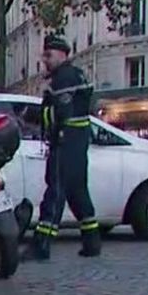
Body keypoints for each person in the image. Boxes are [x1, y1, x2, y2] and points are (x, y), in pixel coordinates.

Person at [30, 35, 99, 260]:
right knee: (78, 192)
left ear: (62, 55)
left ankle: (42, 245)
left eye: (49, 55)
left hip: (64, 140)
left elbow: (55, 112)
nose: (45, 60)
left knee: (55, 191)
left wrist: (45, 126)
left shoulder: (63, 79)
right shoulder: (78, 75)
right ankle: (92, 242)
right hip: (79, 141)